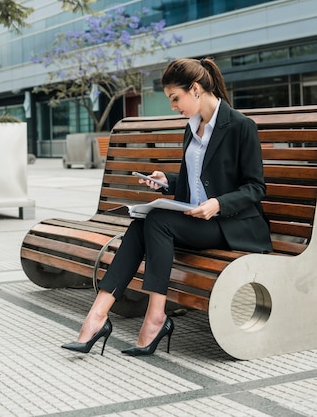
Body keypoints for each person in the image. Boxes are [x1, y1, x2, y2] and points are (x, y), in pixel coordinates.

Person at [62, 57, 273, 357]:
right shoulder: (192, 128)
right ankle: (96, 317)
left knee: (158, 221)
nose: (174, 106)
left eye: (176, 98)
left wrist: (218, 204)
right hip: (197, 220)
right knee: (139, 226)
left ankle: (156, 318)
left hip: (232, 224)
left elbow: (255, 187)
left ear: (196, 89)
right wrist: (167, 182)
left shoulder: (240, 126)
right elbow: (197, 181)